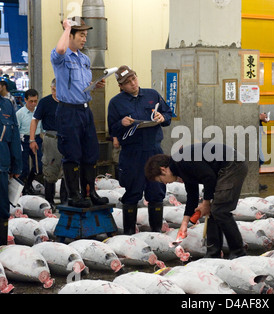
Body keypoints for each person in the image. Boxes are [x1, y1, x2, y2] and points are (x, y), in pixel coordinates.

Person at [145, 143, 248, 259]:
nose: (164, 183)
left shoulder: (183, 161)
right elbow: (192, 195)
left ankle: (238, 252)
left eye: (160, 180)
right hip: (225, 167)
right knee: (214, 212)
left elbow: (209, 178)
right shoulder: (180, 167)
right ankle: (213, 253)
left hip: (232, 165)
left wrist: (206, 202)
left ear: (163, 170)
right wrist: (184, 224)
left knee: (220, 211)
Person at [51, 17, 108, 208]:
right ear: (71, 36)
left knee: (90, 154)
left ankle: (89, 193)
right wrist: (67, 28)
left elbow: (80, 87)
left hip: (85, 111)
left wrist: (94, 85)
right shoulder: (61, 57)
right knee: (72, 154)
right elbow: (60, 49)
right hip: (68, 112)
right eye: (81, 35)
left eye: (86, 35)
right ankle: (74, 196)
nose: (84, 39)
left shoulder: (84, 60)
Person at [107, 66, 172, 234]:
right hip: (131, 153)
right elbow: (112, 130)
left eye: (133, 79)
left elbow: (168, 115)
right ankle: (129, 233)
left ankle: (156, 232)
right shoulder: (115, 103)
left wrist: (162, 117)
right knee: (132, 191)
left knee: (156, 190)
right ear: (121, 86)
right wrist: (121, 123)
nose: (133, 84)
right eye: (127, 83)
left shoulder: (152, 95)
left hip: (154, 151)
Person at [30, 79, 67, 208]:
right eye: (53, 90)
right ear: (51, 88)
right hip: (51, 138)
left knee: (68, 170)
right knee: (50, 169)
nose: (56, 93)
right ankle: (49, 201)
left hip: (67, 138)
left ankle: (65, 200)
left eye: (58, 90)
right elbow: (35, 120)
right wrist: (32, 139)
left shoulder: (68, 101)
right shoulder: (45, 102)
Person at [0, 93, 22, 245]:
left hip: (2, 165)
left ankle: (1, 245)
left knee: (2, 207)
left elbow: (14, 136)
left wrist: (17, 165)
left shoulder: (7, 105)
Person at [16, 89, 43, 195]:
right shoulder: (19, 113)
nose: (33, 104)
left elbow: (43, 128)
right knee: (24, 169)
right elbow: (16, 131)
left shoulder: (39, 112)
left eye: (35, 101)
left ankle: (29, 183)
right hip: (23, 140)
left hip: (37, 139)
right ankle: (24, 188)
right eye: (31, 101)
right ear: (25, 100)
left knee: (39, 167)